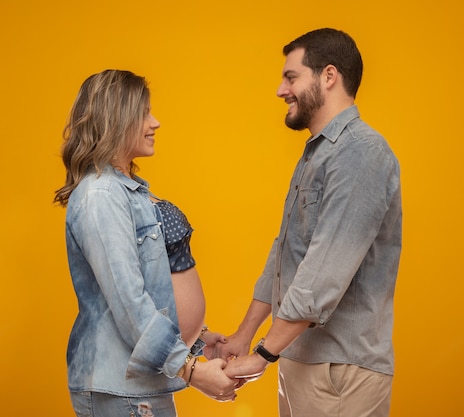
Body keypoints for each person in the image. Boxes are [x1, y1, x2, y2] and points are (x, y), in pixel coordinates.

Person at [218, 28, 402, 417]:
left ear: (329, 76)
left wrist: (263, 353)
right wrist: (245, 335)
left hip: (340, 371)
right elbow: (285, 257)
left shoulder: (360, 153)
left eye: (291, 76)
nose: (280, 90)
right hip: (300, 360)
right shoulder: (316, 156)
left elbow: (322, 275)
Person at [54, 69, 237, 417]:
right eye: (143, 113)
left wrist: (194, 340)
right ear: (116, 119)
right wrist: (191, 369)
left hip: (139, 385)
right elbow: (127, 302)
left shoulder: (126, 190)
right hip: (122, 388)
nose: (155, 123)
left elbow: (154, 292)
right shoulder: (101, 194)